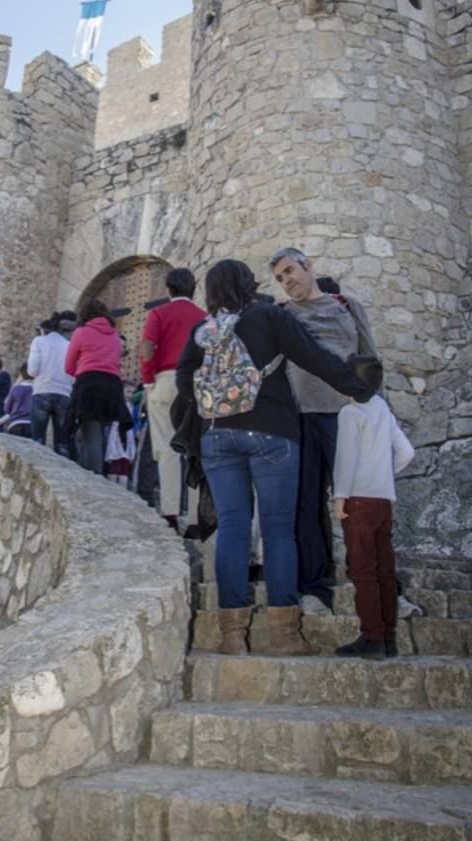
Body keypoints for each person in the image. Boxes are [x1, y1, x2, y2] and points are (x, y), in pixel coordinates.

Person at [177, 259, 372, 656]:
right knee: (279, 529)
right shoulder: (269, 316)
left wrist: (217, 400)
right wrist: (358, 389)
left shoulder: (202, 330)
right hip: (273, 433)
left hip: (218, 435)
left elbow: (184, 382)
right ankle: (284, 635)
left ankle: (233, 634)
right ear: (250, 284)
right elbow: (313, 358)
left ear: (210, 293)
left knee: (232, 527)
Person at [269, 247, 378, 614]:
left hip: (346, 414)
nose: (287, 281)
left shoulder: (347, 306)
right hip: (298, 419)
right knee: (306, 505)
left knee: (362, 503)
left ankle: (382, 587)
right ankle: (314, 588)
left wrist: (380, 414)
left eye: (289, 271)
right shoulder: (281, 315)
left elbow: (371, 360)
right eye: (280, 278)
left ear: (308, 265)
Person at [333, 355, 415, 659]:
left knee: (362, 570)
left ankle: (372, 637)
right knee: (384, 570)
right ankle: (389, 637)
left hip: (358, 499)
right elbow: (407, 452)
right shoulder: (383, 409)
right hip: (383, 500)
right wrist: (383, 474)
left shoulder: (350, 414)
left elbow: (346, 459)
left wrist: (340, 497)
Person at [140, 268, 206, 532]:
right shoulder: (203, 317)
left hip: (165, 379)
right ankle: (195, 519)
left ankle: (169, 512)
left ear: (169, 289)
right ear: (194, 288)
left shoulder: (158, 314)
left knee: (167, 449)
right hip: (196, 383)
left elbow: (147, 347)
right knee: (194, 450)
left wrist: (148, 381)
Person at [65, 298, 129, 474]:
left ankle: (94, 478)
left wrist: (82, 373)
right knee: (85, 435)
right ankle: (84, 470)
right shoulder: (115, 336)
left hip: (89, 385)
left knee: (92, 436)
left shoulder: (81, 332)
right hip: (112, 388)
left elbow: (69, 366)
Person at [27, 312, 74, 456]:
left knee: (37, 441)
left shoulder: (39, 342)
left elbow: (32, 371)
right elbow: (74, 373)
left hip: (42, 391)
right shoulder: (70, 345)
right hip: (64, 394)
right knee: (61, 444)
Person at [0, 364, 34, 438]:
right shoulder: (37, 390)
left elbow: (7, 408)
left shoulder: (16, 389)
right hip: (32, 424)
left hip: (15, 424)